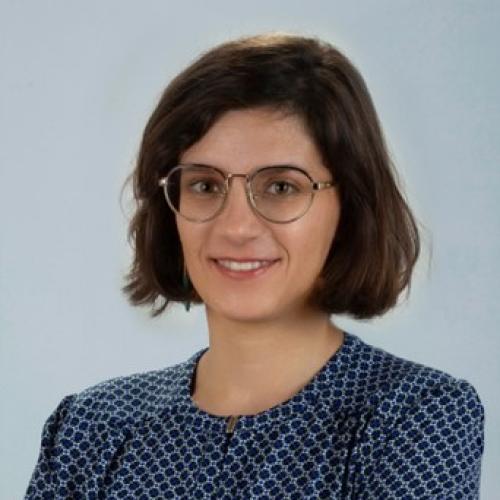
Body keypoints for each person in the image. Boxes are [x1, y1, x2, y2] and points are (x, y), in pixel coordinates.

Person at [26, 32, 484, 499]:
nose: (237, 227)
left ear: (349, 207)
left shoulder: (414, 417)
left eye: (281, 187)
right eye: (205, 186)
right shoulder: (92, 429)